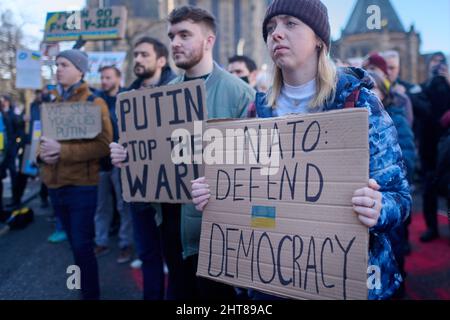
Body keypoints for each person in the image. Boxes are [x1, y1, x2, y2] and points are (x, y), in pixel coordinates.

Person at [191, 0, 411, 300]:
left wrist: (378, 207)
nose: (276, 34)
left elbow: (399, 197)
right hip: (274, 280)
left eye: (290, 24)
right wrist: (218, 197)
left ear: (320, 40)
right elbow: (255, 200)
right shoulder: (259, 110)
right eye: (270, 28)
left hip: (348, 281)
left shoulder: (357, 101)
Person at [111, 6, 255, 300]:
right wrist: (130, 158)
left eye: (185, 35)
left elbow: (256, 169)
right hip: (171, 228)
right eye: (172, 36)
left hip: (217, 235)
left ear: (209, 40)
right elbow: (154, 161)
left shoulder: (241, 94)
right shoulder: (161, 95)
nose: (175, 42)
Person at [111, 37, 184, 300]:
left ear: (161, 60)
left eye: (144, 54)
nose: (138, 59)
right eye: (136, 54)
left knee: (176, 262)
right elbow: (122, 141)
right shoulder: (125, 99)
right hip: (140, 195)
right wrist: (117, 151)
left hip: (173, 198)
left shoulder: (182, 92)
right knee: (149, 256)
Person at [37, 49, 113, 300]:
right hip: (55, 186)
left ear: (80, 70)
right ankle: (79, 289)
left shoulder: (95, 103)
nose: (58, 69)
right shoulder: (54, 104)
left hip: (82, 186)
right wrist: (41, 156)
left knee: (82, 246)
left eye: (65, 65)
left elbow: (104, 145)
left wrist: (63, 151)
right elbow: (43, 142)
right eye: (57, 64)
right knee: (73, 246)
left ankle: (90, 295)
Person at [368, 70, 416, 297]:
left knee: (394, 257)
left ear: (384, 93)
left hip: (386, 207)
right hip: (367, 213)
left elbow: (407, 159)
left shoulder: (394, 118)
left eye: (372, 88)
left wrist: (385, 170)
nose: (367, 94)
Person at [94, 66, 133, 264]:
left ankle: (125, 244)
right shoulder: (95, 100)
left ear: (119, 78)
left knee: (123, 205)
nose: (104, 81)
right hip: (101, 162)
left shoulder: (127, 97)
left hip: (120, 162)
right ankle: (101, 241)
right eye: (102, 77)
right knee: (101, 206)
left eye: (108, 77)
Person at [418, 52, 450, 242]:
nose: (437, 66)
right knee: (428, 189)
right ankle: (432, 227)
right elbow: (421, 110)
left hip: (447, 147)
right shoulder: (423, 88)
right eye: (434, 62)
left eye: (441, 62)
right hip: (429, 146)